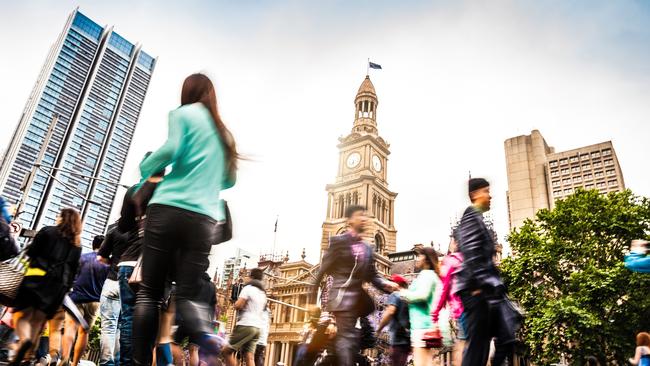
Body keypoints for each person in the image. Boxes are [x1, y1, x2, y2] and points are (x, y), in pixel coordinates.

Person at [132, 73, 238, 364]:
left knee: (149, 294)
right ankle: (205, 332)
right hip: (203, 219)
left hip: (167, 207)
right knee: (187, 295)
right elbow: (229, 180)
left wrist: (147, 167)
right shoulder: (225, 133)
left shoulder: (183, 113)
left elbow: (172, 149)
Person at [311, 205, 398, 366]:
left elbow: (373, 276)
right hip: (339, 303)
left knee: (344, 348)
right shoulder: (337, 242)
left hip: (356, 307)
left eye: (366, 216)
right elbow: (321, 273)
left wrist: (388, 285)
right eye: (360, 216)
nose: (364, 219)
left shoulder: (367, 248)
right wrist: (312, 306)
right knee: (344, 346)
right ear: (350, 220)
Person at [455, 178, 515, 366]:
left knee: (507, 339)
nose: (490, 195)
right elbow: (470, 250)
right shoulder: (471, 215)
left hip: (488, 291)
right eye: (486, 191)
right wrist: (479, 285)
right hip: (477, 290)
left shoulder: (478, 218)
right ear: (474, 195)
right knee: (478, 348)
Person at [10, 208, 82, 365]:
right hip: (56, 289)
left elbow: (31, 252)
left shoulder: (48, 231)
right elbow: (72, 272)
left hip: (35, 278)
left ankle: (25, 341)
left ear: (62, 218)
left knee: (20, 316)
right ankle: (27, 356)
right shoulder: (76, 245)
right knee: (37, 322)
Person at [61, 235, 109, 366]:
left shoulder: (83, 258)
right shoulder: (108, 263)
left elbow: (71, 277)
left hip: (76, 298)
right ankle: (75, 364)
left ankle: (64, 360)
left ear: (93, 244)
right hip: (94, 301)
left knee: (70, 329)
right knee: (84, 332)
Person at [398, 247, 440, 366]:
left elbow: (422, 295)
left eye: (420, 256)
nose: (418, 259)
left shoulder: (427, 275)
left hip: (422, 327)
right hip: (424, 326)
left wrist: (403, 293)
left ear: (426, 259)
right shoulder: (429, 275)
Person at [431, 231, 465, 366]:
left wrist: (434, 315)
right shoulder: (474, 259)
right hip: (482, 312)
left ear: (455, 243)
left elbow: (443, 289)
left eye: (451, 240)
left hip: (464, 310)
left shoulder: (451, 260)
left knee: (461, 349)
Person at [223, 268, 267, 366]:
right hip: (257, 328)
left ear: (251, 277)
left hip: (246, 324)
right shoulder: (262, 293)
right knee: (250, 357)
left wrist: (235, 304)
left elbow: (238, 305)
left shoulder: (248, 288)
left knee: (226, 351)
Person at [97, 227, 126, 366]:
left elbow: (101, 257)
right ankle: (118, 361)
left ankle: (107, 362)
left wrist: (113, 263)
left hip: (112, 281)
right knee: (122, 327)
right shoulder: (144, 232)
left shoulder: (115, 230)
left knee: (108, 327)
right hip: (131, 286)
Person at [377, 274, 411, 366]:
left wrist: (379, 329)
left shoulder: (395, 295)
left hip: (398, 338)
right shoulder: (409, 297)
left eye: (390, 282)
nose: (387, 285)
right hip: (408, 339)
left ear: (397, 284)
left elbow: (390, 312)